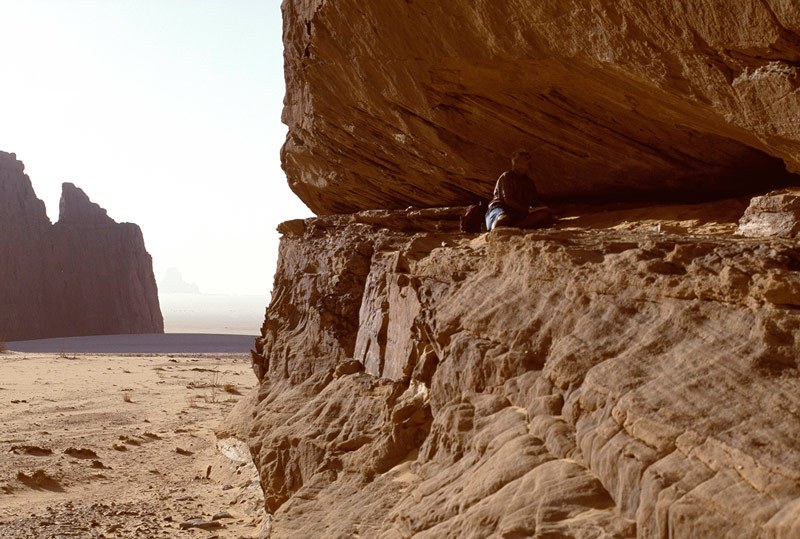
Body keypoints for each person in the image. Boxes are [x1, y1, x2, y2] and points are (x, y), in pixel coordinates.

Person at [485, 149, 553, 231]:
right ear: (516, 163)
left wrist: (545, 208)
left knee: (544, 215)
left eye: (529, 158)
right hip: (501, 208)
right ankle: (496, 231)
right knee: (504, 219)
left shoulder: (529, 182)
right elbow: (508, 200)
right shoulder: (507, 176)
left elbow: (534, 201)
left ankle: (513, 228)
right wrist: (525, 210)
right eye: (525, 159)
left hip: (518, 211)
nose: (529, 161)